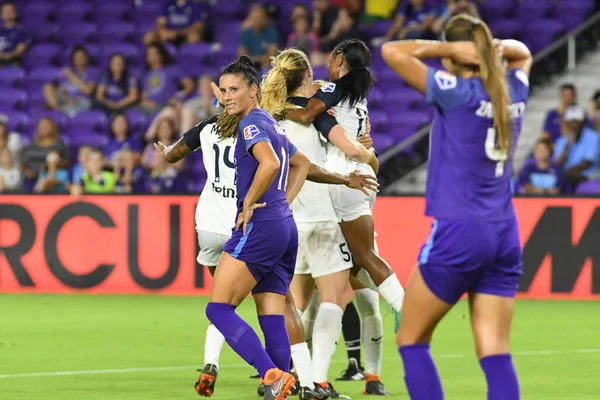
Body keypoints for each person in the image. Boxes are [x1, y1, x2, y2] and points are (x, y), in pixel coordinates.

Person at [156, 79, 378, 399]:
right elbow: (301, 163)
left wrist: (249, 202)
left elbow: (267, 163)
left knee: (218, 309)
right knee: (273, 308)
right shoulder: (271, 124)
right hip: (282, 224)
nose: (228, 96)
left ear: (253, 91)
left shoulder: (235, 125)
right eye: (225, 91)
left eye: (234, 90)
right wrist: (283, 201)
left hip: (249, 224)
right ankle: (285, 381)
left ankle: (268, 374)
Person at [381, 13, 532, 400]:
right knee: (496, 350)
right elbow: (523, 55)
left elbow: (391, 51)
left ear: (454, 57)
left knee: (411, 338)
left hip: (460, 231)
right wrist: (494, 48)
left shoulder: (457, 93)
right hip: (504, 232)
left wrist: (447, 47)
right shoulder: (511, 91)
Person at [260, 47, 386, 397]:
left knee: (296, 303)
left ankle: (279, 374)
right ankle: (316, 381)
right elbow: (330, 159)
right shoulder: (317, 117)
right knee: (335, 296)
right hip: (321, 215)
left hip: (285, 219)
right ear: (306, 79)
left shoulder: (268, 118)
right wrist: (362, 154)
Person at [285, 39, 405, 334]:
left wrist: (275, 109)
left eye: (330, 57)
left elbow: (305, 115)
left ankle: (405, 306)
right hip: (365, 174)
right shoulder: (357, 93)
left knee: (361, 255)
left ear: (339, 60)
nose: (326, 63)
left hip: (343, 176)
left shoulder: (333, 90)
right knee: (349, 260)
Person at [552, 105, 600, 189]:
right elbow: (558, 164)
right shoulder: (562, 140)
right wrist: (567, 146)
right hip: (565, 176)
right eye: (572, 122)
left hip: (587, 175)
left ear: (583, 123)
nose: (575, 125)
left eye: (578, 121)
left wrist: (565, 173)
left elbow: (586, 164)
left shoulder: (593, 137)